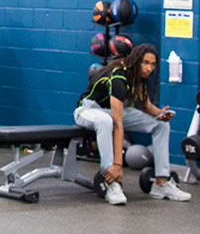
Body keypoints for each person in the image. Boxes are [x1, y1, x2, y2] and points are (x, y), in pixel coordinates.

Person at [72, 43, 189, 205]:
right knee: (107, 122)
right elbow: (118, 124)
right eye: (145, 63)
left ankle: (161, 182)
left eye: (153, 64)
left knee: (160, 125)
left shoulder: (139, 78)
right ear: (136, 61)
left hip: (111, 113)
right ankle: (111, 179)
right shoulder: (119, 77)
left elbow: (145, 105)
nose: (149, 68)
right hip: (88, 111)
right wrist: (118, 164)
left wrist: (160, 113)